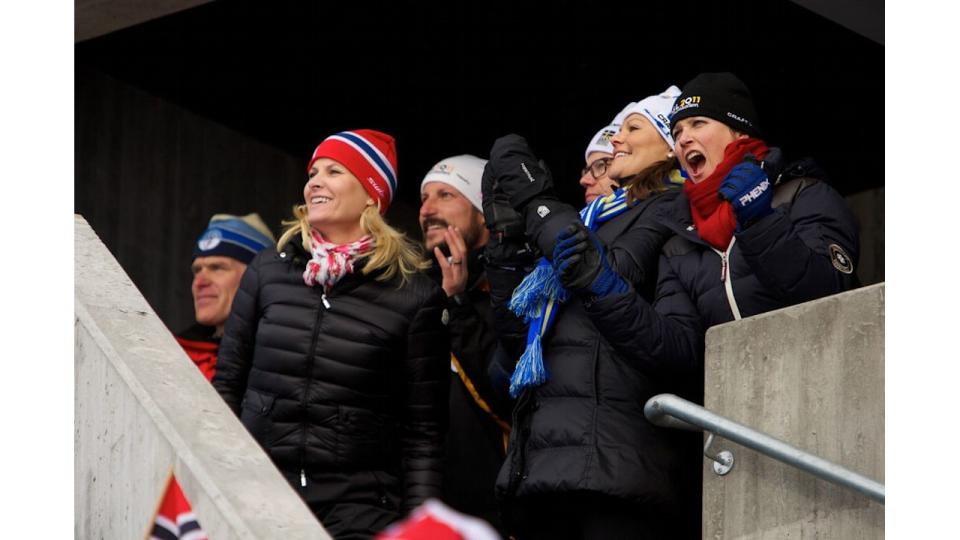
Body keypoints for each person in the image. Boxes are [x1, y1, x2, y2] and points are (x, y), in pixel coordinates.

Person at [554, 73, 861, 537]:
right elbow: (680, 351)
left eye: (698, 123)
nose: (684, 139)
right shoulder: (684, 237)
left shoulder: (801, 194)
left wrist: (759, 221)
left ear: (739, 132)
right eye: (676, 132)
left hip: (830, 412)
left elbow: (832, 299)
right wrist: (602, 289)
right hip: (739, 435)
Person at [212, 129, 450, 539]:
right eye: (313, 172)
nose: (315, 181)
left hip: (360, 512)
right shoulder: (267, 271)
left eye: (334, 171)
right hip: (261, 497)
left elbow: (423, 435)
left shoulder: (415, 296)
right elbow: (227, 388)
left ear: (372, 195)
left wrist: (418, 529)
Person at [482, 86, 691, 539]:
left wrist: (536, 200)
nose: (616, 139)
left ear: (669, 146)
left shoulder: (672, 206)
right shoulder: (597, 216)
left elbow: (605, 270)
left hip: (612, 466)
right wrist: (504, 244)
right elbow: (518, 340)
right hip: (545, 462)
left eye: (632, 128)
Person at [419, 155, 512, 534]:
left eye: (445, 195)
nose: (427, 210)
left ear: (482, 212)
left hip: (490, 513)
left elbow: (508, 395)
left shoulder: (515, 290)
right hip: (424, 504)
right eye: (424, 198)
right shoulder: (413, 292)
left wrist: (457, 303)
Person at [175, 213, 274, 381]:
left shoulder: (279, 361)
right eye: (197, 270)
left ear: (257, 278)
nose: (199, 282)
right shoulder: (174, 354)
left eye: (217, 268)